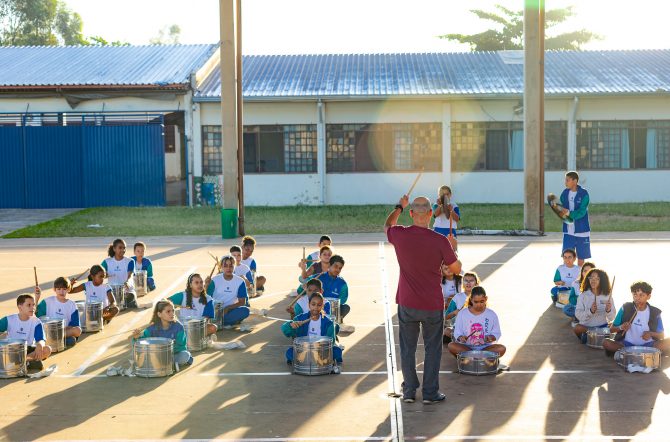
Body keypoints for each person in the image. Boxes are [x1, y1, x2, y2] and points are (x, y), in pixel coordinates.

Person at [385, 194, 461, 404]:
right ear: (430, 214)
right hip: (432, 304)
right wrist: (453, 248)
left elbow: (387, 225)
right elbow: (456, 269)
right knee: (432, 350)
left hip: (407, 302)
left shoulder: (399, 234)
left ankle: (409, 390)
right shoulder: (440, 240)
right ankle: (429, 393)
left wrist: (399, 206)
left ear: (411, 214)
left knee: (408, 349)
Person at [603, 281, 670, 355]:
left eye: (641, 295)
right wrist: (621, 327)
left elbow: (662, 335)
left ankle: (627, 354)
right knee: (606, 343)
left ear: (648, 297)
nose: (637, 298)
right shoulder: (625, 307)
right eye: (635, 295)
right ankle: (646, 354)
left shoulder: (655, 312)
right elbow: (612, 329)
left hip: (649, 346)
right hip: (627, 345)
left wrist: (651, 334)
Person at [281, 292, 342, 372]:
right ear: (309, 305)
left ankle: (304, 360)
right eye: (313, 304)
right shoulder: (300, 318)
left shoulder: (328, 323)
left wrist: (317, 350)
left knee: (337, 351)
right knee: (289, 352)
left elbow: (331, 341)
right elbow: (285, 330)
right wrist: (290, 325)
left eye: (319, 305)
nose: (315, 308)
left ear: (322, 306)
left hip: (321, 352)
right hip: (304, 351)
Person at [447, 287, 506, 357]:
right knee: (451, 346)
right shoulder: (462, 313)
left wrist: (491, 337)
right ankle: (479, 357)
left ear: (486, 299)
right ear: (471, 299)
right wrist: (460, 337)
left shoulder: (492, 314)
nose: (479, 305)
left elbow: (497, 332)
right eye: (476, 302)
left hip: (485, 348)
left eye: (482, 301)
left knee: (501, 348)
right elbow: (457, 332)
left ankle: (471, 357)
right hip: (467, 347)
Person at [132, 299, 193, 366]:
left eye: (173, 310)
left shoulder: (178, 327)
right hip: (156, 356)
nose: (172, 313)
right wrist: (136, 338)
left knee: (185, 355)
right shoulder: (151, 328)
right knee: (136, 355)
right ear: (159, 314)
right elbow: (140, 345)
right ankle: (172, 365)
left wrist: (166, 350)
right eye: (168, 311)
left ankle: (166, 365)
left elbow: (182, 347)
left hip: (172, 355)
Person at [0, 294, 52, 370]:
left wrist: (40, 345)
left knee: (47, 349)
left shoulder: (36, 321)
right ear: (20, 307)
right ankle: (28, 363)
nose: (32, 308)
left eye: (33, 305)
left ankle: (22, 363)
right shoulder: (9, 319)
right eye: (29, 305)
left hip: (28, 349)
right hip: (12, 351)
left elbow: (41, 339)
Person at [35, 277, 82, 346]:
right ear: (54, 289)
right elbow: (35, 315)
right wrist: (37, 298)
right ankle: (58, 340)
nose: (61, 292)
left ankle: (53, 339)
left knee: (78, 330)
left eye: (64, 289)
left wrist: (60, 330)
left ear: (68, 289)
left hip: (64, 331)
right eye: (59, 289)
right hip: (49, 331)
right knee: (71, 340)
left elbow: (75, 325)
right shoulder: (47, 302)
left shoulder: (72, 304)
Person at [573, 268, 615, 344]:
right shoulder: (583, 296)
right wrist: (590, 311)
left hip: (602, 327)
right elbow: (578, 315)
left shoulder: (608, 296)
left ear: (602, 281)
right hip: (587, 328)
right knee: (577, 328)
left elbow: (611, 318)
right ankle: (593, 337)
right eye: (591, 278)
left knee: (614, 327)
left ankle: (594, 338)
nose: (593, 280)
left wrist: (608, 310)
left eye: (597, 278)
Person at [206, 255, 250, 327]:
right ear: (221, 267)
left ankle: (217, 323)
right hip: (215, 311)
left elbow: (242, 302)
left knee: (245, 311)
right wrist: (206, 286)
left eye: (231, 266)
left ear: (234, 266)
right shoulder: (214, 280)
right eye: (225, 266)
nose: (228, 268)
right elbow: (206, 298)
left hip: (229, 311)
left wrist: (228, 308)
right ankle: (221, 322)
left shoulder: (240, 281)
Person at [559, 171, 591, 266]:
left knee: (581, 259)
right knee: (567, 257)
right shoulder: (564, 193)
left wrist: (569, 213)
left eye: (567, 180)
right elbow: (561, 206)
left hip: (582, 231)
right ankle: (567, 279)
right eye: (565, 180)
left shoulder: (584, 194)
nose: (565, 182)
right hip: (568, 232)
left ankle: (580, 279)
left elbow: (582, 212)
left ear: (575, 181)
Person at [102, 238, 137, 308]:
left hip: (127, 291)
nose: (123, 250)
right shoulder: (106, 262)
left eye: (124, 248)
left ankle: (124, 302)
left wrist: (127, 282)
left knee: (130, 296)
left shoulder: (130, 261)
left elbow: (130, 275)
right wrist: (104, 275)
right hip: (112, 292)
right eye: (120, 248)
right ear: (114, 249)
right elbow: (99, 275)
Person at [317, 254, 350, 320]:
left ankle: (336, 320)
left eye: (340, 268)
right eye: (336, 266)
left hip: (333, 308)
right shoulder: (318, 277)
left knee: (345, 307)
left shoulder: (342, 283)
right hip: (318, 306)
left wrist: (331, 303)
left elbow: (343, 300)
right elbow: (301, 287)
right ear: (329, 265)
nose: (337, 270)